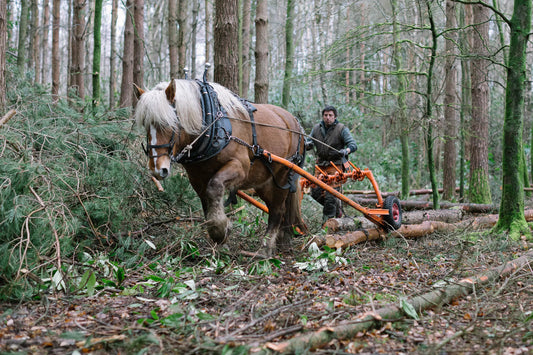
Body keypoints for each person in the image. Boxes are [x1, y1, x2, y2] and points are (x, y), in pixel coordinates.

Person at [305, 105, 357, 222]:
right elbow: (309, 141)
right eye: (325, 115)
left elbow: (353, 145)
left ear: (335, 117)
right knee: (315, 192)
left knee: (330, 196)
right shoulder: (316, 129)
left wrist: (346, 151)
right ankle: (336, 207)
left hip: (336, 166)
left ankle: (327, 225)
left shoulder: (341, 128)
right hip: (320, 166)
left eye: (330, 115)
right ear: (322, 116)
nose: (328, 118)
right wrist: (308, 145)